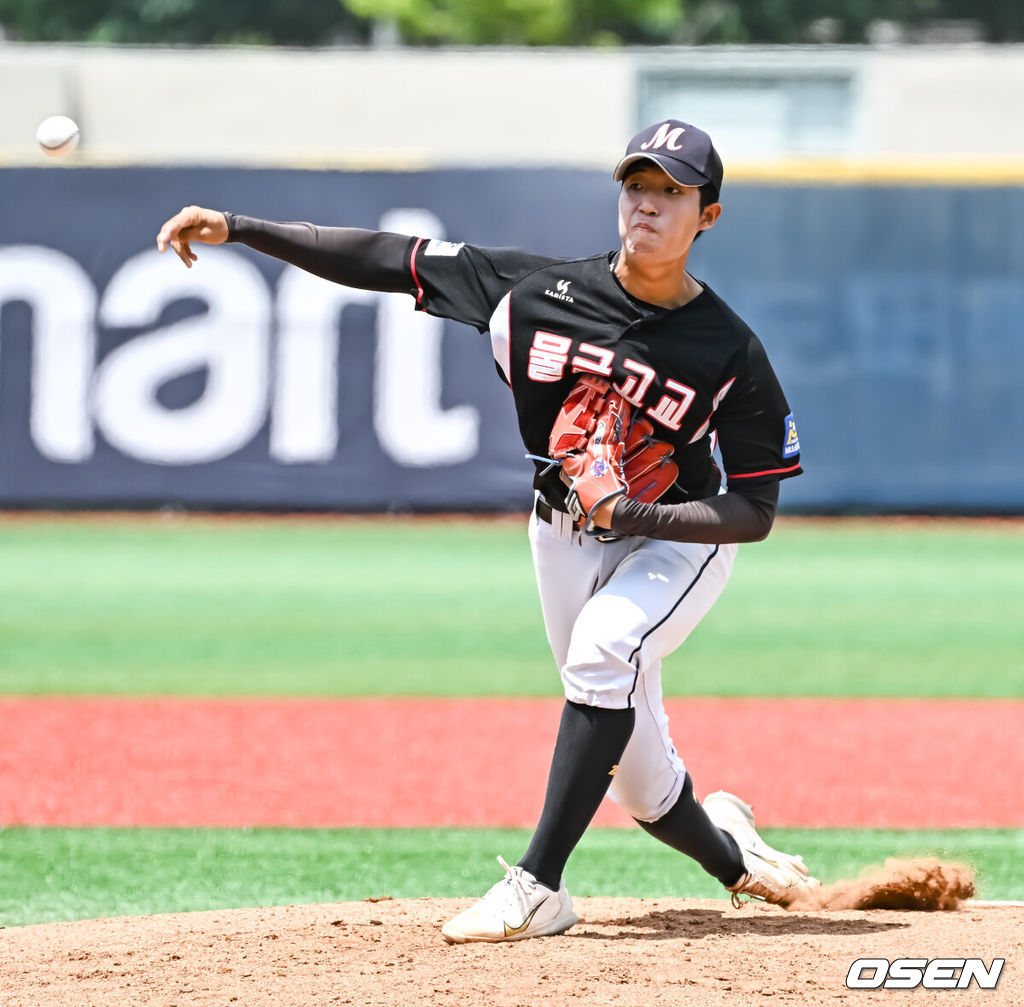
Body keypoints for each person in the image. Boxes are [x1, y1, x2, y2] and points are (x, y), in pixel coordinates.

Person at [156, 118, 818, 944]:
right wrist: (243, 228)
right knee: (641, 784)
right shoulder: (538, 293)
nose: (647, 204)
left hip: (677, 538)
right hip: (562, 533)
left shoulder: (728, 352)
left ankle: (538, 885)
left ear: (706, 216)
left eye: (671, 191)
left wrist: (633, 514)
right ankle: (738, 858)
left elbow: (753, 511)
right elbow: (389, 260)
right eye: (636, 185)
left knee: (602, 654)